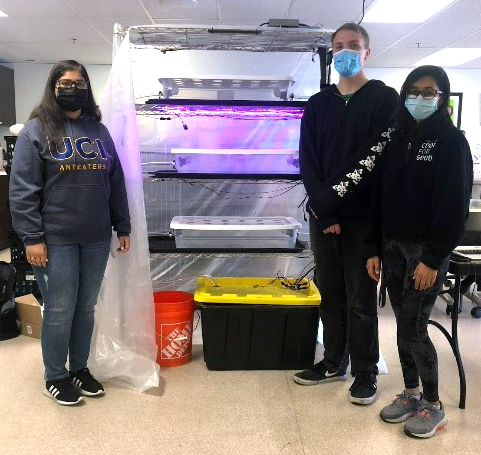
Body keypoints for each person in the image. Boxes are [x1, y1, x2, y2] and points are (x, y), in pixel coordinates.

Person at [9, 60, 131, 406]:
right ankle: (56, 375)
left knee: (85, 306)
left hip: (95, 236)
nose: (72, 88)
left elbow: (115, 181)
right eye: (65, 83)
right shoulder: (36, 130)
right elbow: (22, 191)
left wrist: (122, 224)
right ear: (53, 88)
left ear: (87, 88)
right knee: (60, 309)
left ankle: (79, 368)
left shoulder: (99, 131)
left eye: (79, 83)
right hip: (55, 239)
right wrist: (31, 238)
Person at [293, 23, 399, 405]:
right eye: (338, 46)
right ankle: (334, 360)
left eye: (353, 45)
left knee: (360, 297)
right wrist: (323, 208)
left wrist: (330, 203)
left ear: (367, 51)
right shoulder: (318, 104)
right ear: (331, 53)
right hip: (323, 216)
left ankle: (366, 370)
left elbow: (372, 160)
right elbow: (308, 160)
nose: (345, 52)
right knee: (330, 293)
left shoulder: (385, 101)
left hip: (363, 219)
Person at [365, 65, 472, 438]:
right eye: (414, 90)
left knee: (414, 328)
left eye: (429, 92)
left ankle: (434, 404)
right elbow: (381, 199)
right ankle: (411, 394)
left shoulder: (451, 142)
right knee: (400, 325)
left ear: (442, 98)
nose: (420, 98)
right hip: (392, 247)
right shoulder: (396, 139)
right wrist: (375, 248)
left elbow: (453, 207)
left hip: (425, 252)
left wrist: (432, 258)